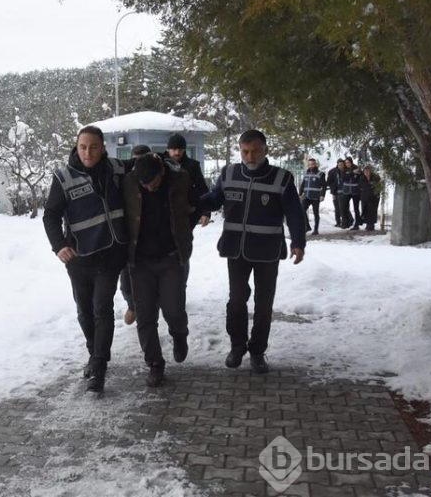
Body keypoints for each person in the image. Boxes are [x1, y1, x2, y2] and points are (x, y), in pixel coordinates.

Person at [200, 129, 306, 374]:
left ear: (265, 150)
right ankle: (237, 346)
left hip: (267, 252)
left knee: (263, 304)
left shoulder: (282, 178)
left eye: (255, 151)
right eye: (245, 151)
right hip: (236, 250)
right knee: (237, 300)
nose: (250, 156)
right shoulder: (229, 173)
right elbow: (214, 199)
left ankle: (257, 351)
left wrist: (298, 242)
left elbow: (294, 213)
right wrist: (193, 202)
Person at [42, 126, 128, 393]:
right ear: (76, 147)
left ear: (103, 147)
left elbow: (144, 163)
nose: (87, 152)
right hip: (80, 257)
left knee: (102, 309)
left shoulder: (117, 169)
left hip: (111, 254)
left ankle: (99, 367)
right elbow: (50, 216)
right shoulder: (64, 177)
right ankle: (94, 353)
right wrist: (59, 246)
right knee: (85, 312)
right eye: (82, 147)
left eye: (93, 147)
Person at [122, 153, 196, 387]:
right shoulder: (128, 182)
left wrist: (186, 231)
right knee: (145, 317)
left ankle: (179, 335)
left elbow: (196, 204)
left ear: (162, 173)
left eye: (153, 184)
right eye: (144, 185)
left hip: (170, 258)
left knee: (173, 309)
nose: (149, 188)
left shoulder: (180, 180)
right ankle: (154, 363)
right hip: (140, 261)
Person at [120, 144, 152, 326]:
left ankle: (148, 310)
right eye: (136, 160)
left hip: (151, 240)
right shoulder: (125, 178)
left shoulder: (160, 177)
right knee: (125, 282)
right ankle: (132, 306)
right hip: (128, 238)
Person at [162, 133, 210, 228]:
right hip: (162, 212)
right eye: (174, 149)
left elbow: (202, 189)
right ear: (168, 149)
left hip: (185, 213)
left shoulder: (192, 166)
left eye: (180, 149)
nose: (177, 152)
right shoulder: (160, 163)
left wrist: (206, 212)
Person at [299, 158, 326, 235]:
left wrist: (322, 195)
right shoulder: (306, 173)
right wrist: (300, 194)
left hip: (315, 197)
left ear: (315, 164)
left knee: (316, 213)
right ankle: (307, 227)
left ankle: (316, 229)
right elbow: (303, 184)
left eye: (312, 164)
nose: (311, 166)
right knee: (301, 210)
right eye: (310, 164)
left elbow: (324, 186)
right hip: (306, 196)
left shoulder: (320, 174)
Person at [359, 164, 382, 231]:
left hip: (374, 197)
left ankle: (371, 225)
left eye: (368, 171)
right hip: (365, 197)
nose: (367, 173)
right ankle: (367, 224)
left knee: (372, 211)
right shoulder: (362, 178)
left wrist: (376, 194)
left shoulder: (376, 177)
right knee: (365, 211)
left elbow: (379, 187)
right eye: (365, 171)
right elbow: (360, 187)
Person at [342, 156, 362, 230]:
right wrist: (352, 173)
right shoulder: (344, 169)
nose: (347, 164)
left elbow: (360, 178)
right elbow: (344, 178)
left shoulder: (356, 168)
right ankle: (347, 222)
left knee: (356, 208)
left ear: (351, 162)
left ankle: (357, 224)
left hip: (355, 191)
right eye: (346, 163)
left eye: (348, 163)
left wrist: (357, 173)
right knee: (344, 207)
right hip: (346, 191)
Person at [326, 159, 345, 227]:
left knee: (343, 207)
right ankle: (338, 221)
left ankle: (345, 221)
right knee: (337, 207)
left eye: (342, 165)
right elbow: (329, 182)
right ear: (337, 164)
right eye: (340, 165)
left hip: (344, 192)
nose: (341, 166)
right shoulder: (332, 171)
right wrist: (332, 189)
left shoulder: (345, 171)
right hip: (335, 192)